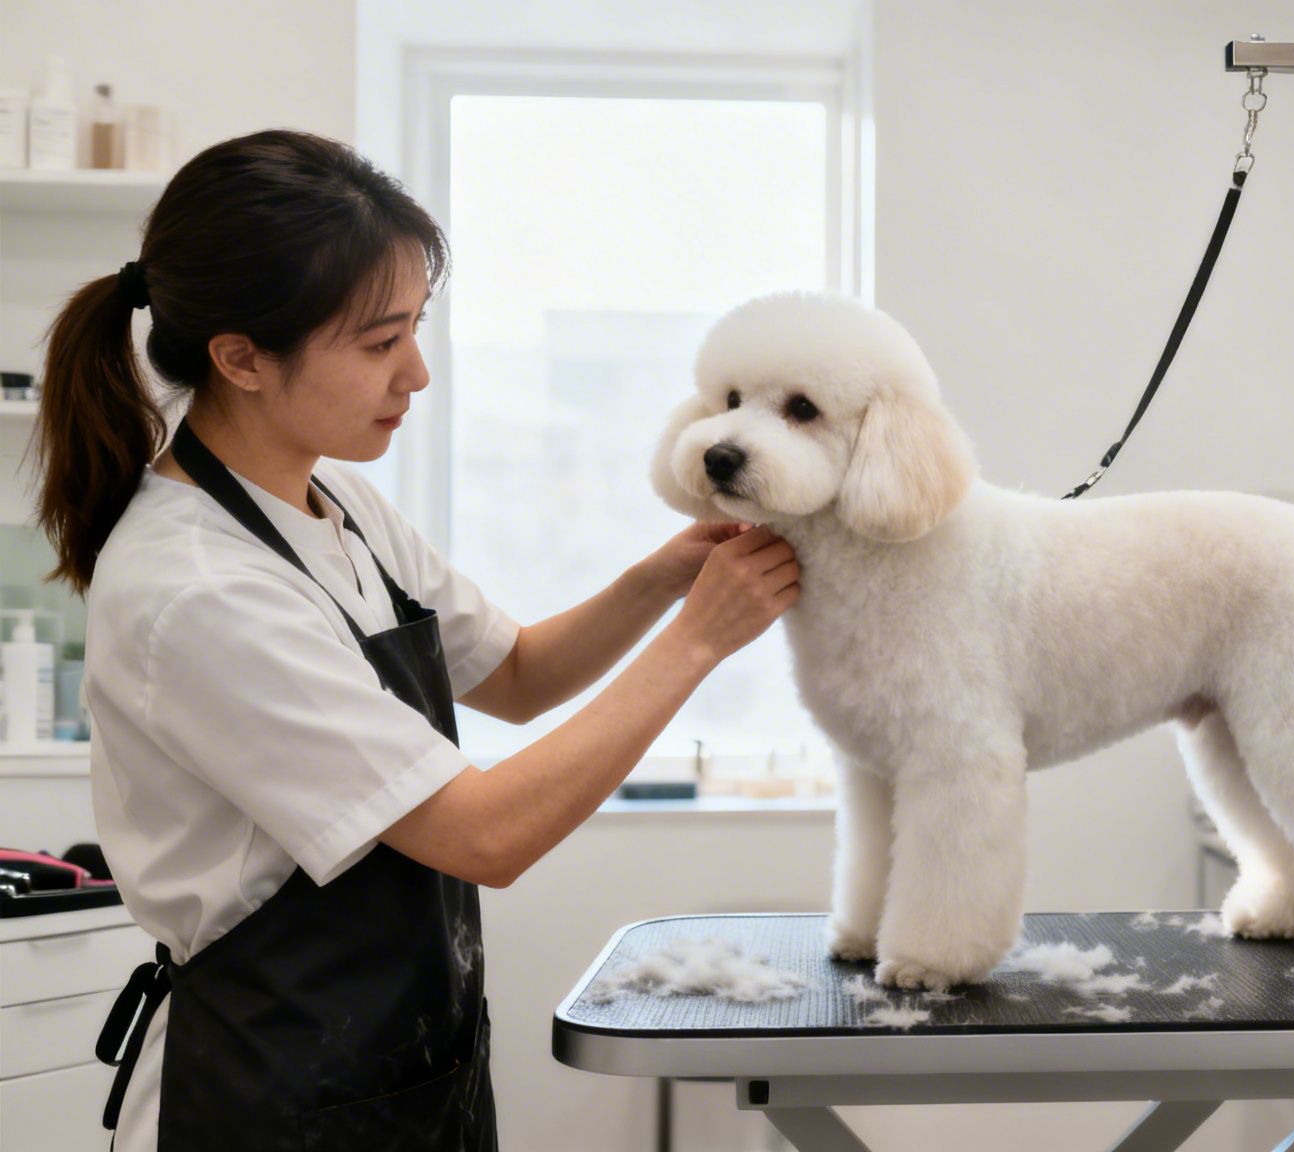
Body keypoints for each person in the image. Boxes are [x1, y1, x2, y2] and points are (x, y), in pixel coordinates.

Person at [31, 128, 799, 1151]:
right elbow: (483, 834)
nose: (418, 373)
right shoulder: (196, 588)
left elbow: (519, 675)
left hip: (401, 1074)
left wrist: (662, 582)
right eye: (378, 342)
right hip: (268, 1098)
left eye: (415, 329)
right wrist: (696, 643)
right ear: (239, 358)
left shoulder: (332, 496)